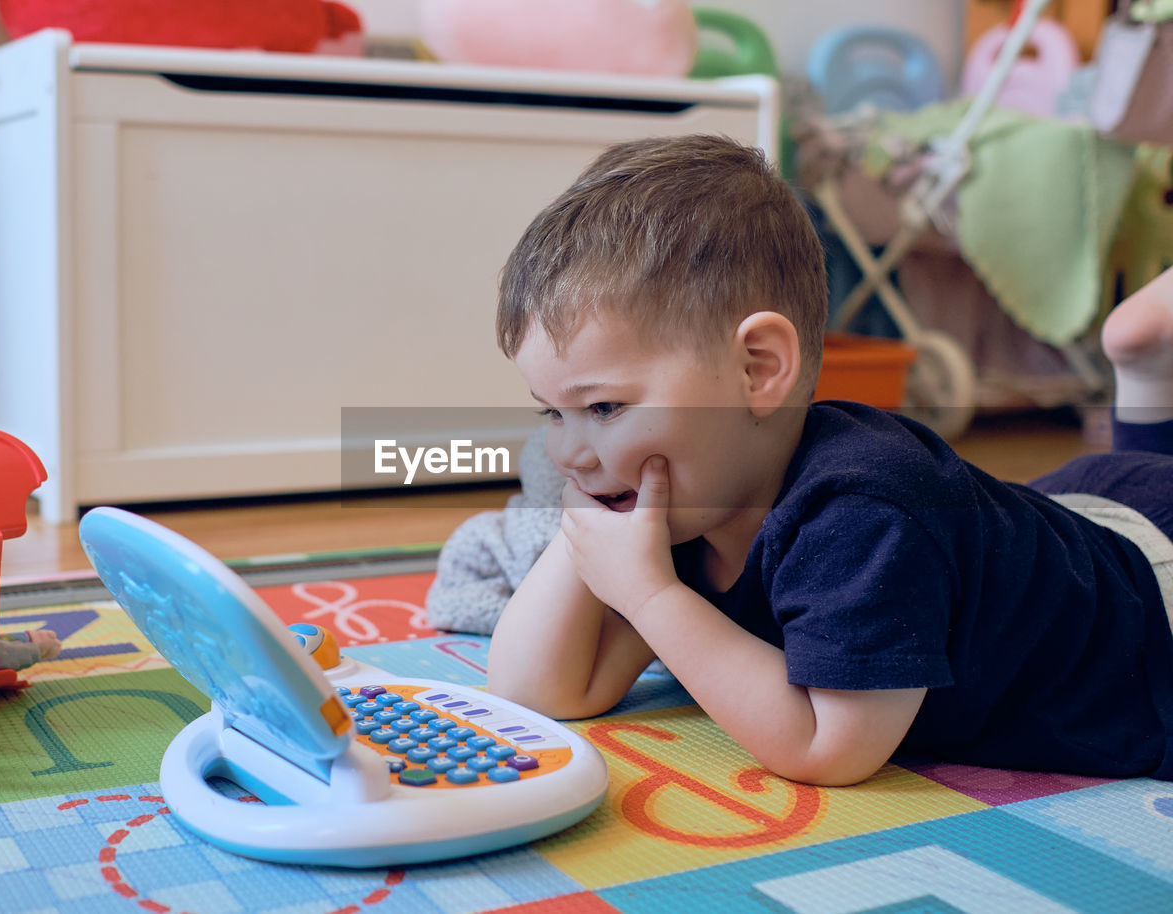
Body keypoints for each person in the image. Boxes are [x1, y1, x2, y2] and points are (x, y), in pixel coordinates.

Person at [484, 134, 1173, 786]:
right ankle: (1144, 369)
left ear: (757, 370)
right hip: (1072, 525)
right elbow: (540, 690)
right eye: (553, 413)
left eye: (603, 409)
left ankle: (1147, 376)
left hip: (1154, 610)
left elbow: (829, 746)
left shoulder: (863, 515)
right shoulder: (695, 502)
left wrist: (648, 596)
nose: (568, 452)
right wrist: (586, 545)